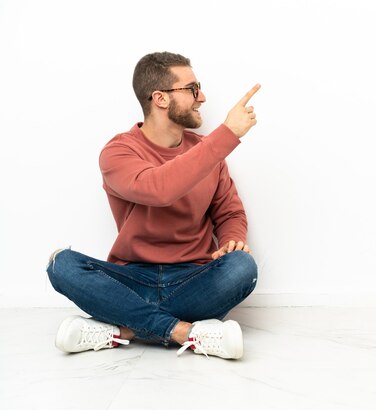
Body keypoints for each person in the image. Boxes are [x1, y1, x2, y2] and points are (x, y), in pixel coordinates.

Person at [46, 51, 261, 359]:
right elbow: (159, 189)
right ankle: (185, 332)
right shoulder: (118, 152)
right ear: (160, 98)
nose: (202, 97)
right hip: (131, 279)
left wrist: (231, 241)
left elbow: (229, 212)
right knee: (61, 264)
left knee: (243, 267)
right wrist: (227, 134)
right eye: (192, 88)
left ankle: (124, 329)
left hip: (192, 279)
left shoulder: (207, 152)